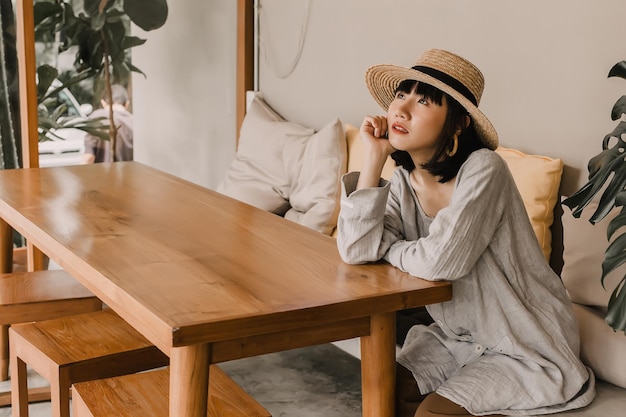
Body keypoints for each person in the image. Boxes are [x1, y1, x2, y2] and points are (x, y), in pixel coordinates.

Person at [336, 49, 595, 417]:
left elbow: (442, 261)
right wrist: (373, 158)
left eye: (423, 101)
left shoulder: (484, 169)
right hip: (458, 338)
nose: (401, 110)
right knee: (380, 385)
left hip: (525, 345)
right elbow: (356, 249)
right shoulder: (404, 183)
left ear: (457, 125)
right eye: (400, 95)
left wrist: (391, 248)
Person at [82, 84, 133, 163]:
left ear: (103, 102)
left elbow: (89, 158)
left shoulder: (97, 117)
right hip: (129, 174)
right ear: (127, 104)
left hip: (102, 174)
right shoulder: (133, 121)